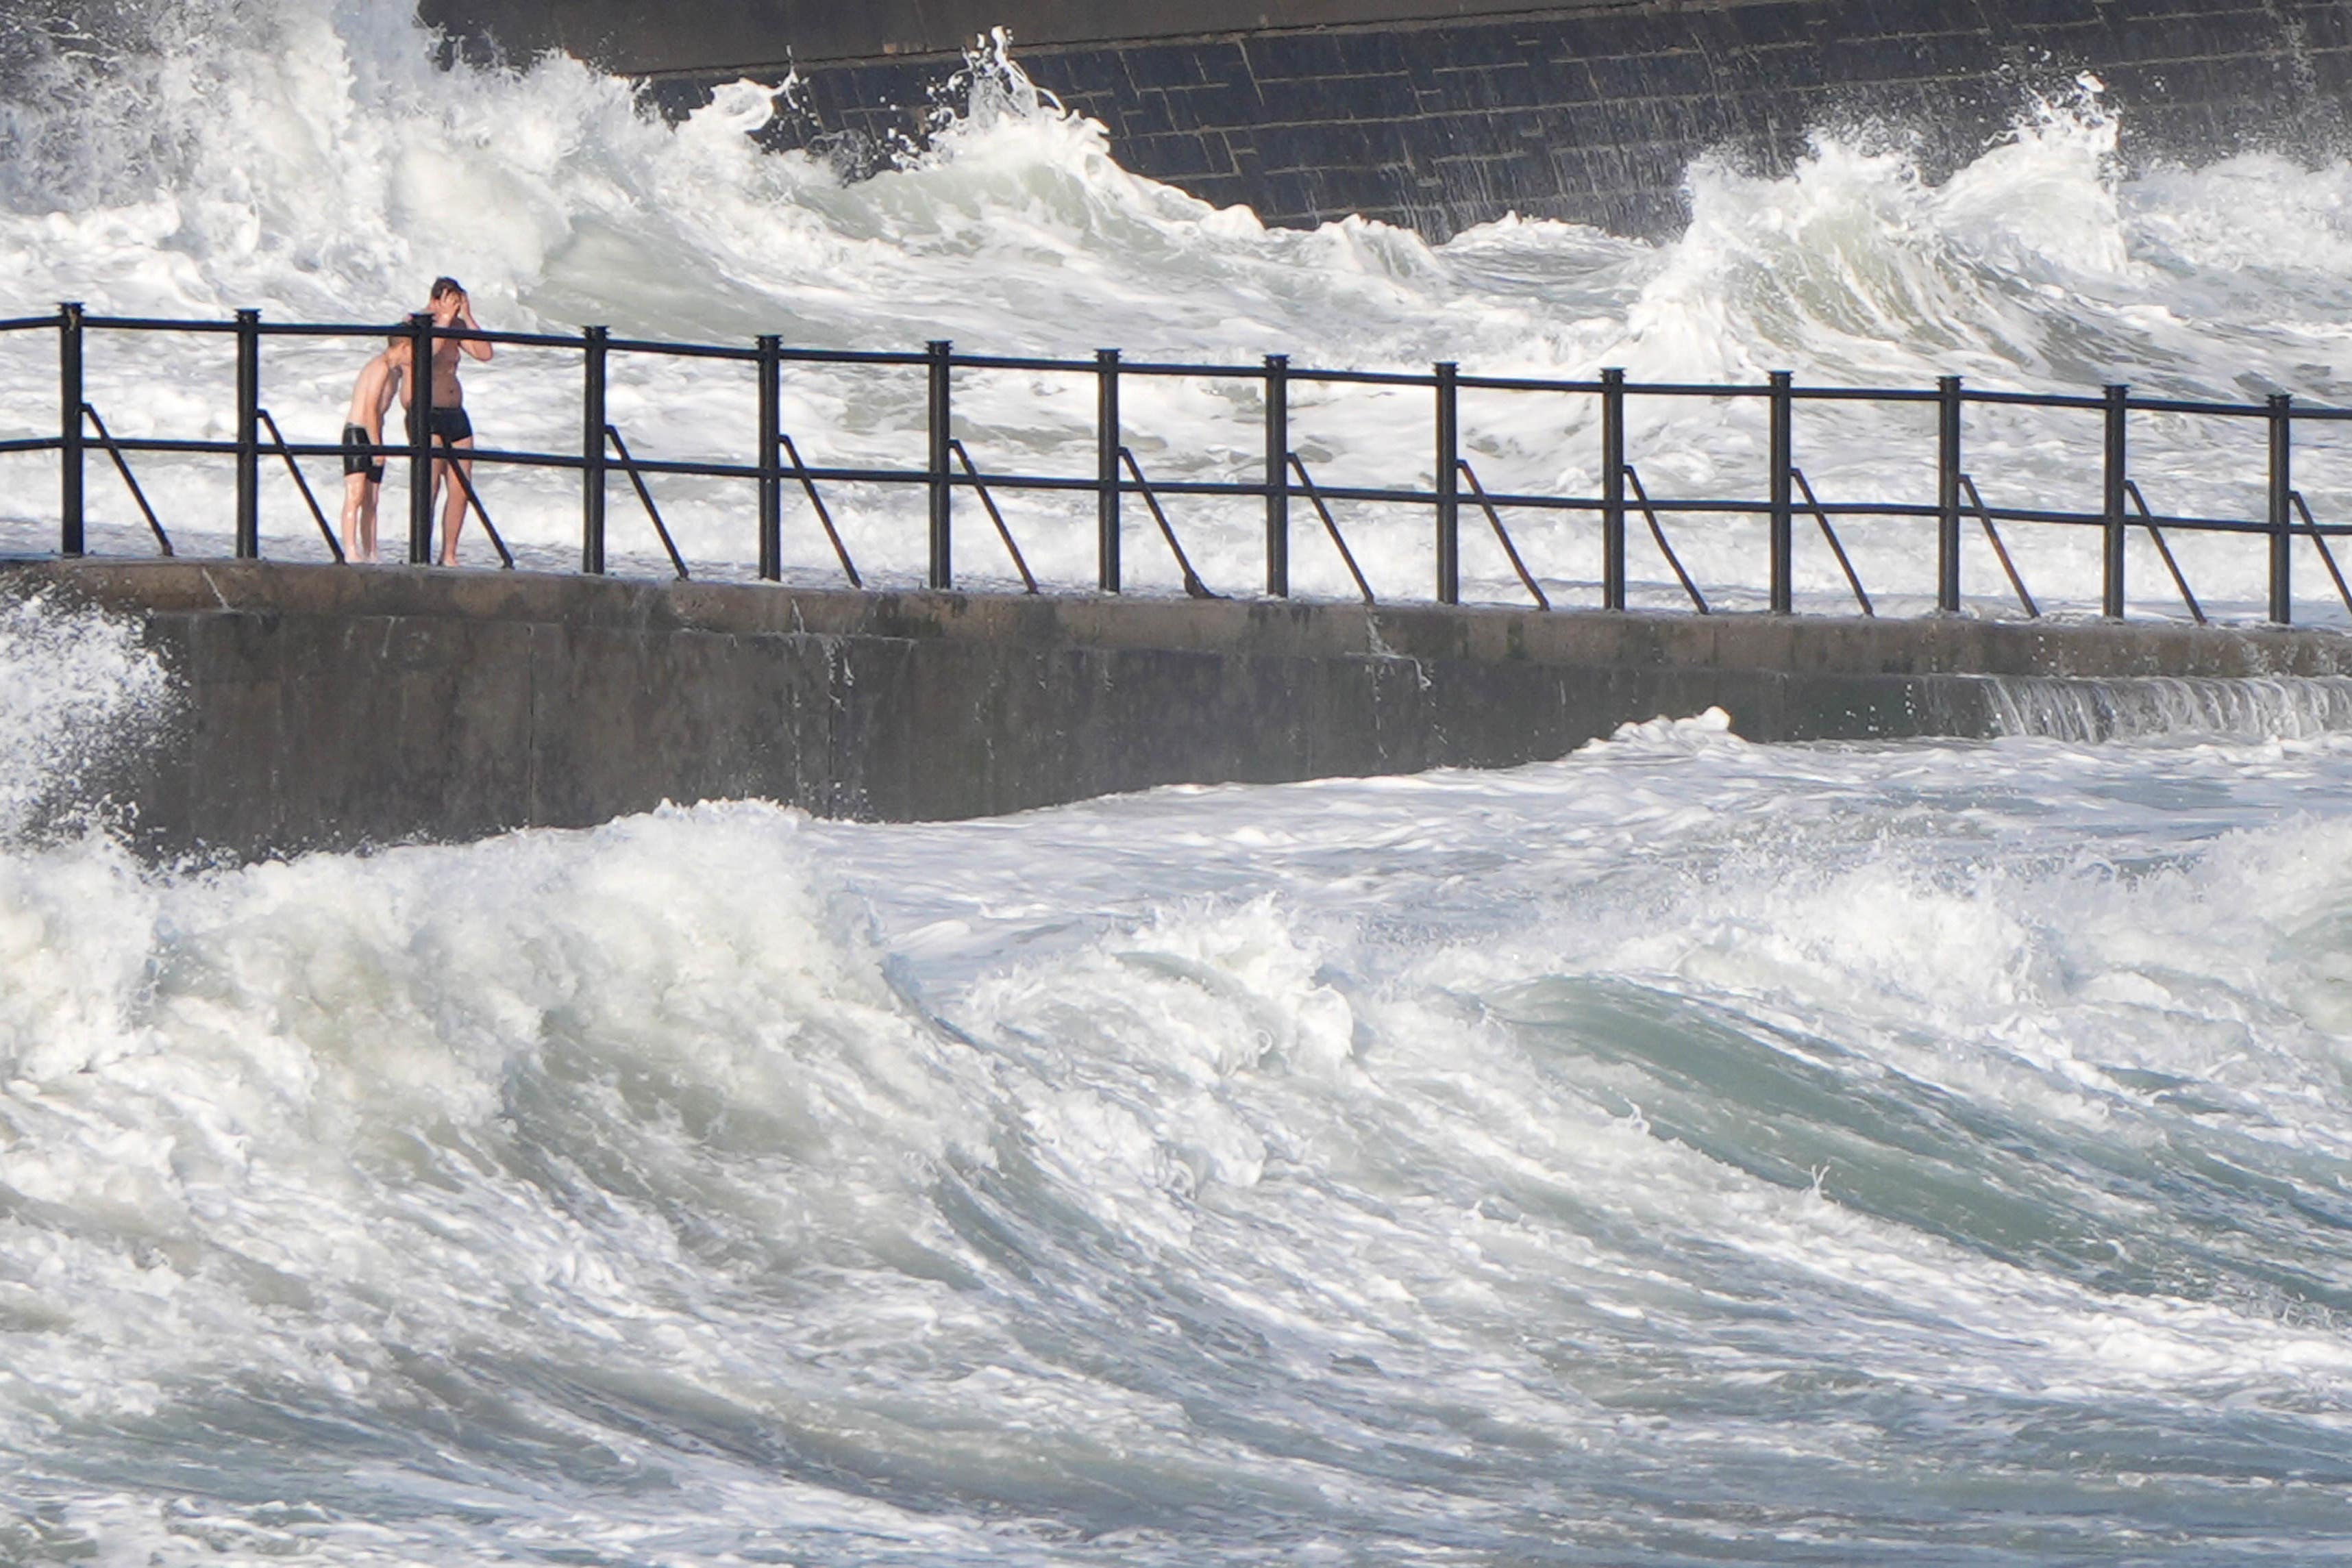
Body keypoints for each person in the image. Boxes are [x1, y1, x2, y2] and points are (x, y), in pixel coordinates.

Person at [418, 276, 493, 566]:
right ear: (437, 300)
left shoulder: (458, 328)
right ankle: (421, 548)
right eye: (451, 301)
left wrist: (468, 318)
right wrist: (444, 319)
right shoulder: (419, 323)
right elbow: (425, 354)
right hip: (429, 412)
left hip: (456, 413)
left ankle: (449, 552)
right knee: (430, 486)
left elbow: (485, 354)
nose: (455, 307)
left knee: (461, 485)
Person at [338, 332, 411, 563]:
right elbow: (370, 409)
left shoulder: (394, 371)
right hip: (358, 432)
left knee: (372, 498)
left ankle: (371, 551)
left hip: (374, 431)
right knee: (356, 493)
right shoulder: (380, 367)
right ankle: (350, 549)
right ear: (404, 347)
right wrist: (377, 445)